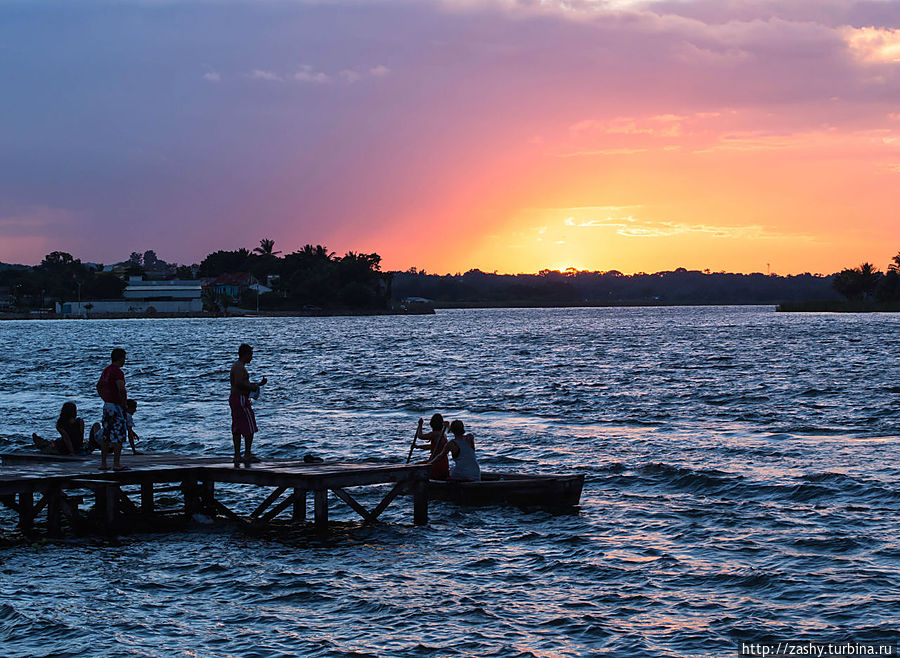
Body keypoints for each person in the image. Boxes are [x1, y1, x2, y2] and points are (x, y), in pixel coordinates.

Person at [229, 343, 267, 467]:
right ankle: (247, 453)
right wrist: (252, 387)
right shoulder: (239, 367)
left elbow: (241, 383)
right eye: (251, 355)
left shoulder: (237, 366)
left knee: (238, 426)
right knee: (249, 425)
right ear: (246, 354)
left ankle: (237, 455)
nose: (252, 357)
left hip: (236, 399)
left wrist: (258, 385)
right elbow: (239, 383)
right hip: (240, 399)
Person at [97, 347, 130, 471]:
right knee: (118, 434)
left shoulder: (106, 370)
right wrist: (124, 404)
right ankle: (116, 463)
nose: (125, 361)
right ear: (120, 358)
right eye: (124, 358)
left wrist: (104, 398)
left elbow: (98, 386)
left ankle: (104, 463)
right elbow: (121, 388)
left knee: (106, 434)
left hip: (107, 405)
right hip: (116, 406)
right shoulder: (117, 372)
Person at [413, 413, 450, 480]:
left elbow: (420, 436)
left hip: (436, 463)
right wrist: (418, 446)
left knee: (416, 466)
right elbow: (432, 447)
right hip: (443, 462)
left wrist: (420, 425)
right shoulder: (443, 434)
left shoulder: (435, 434)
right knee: (418, 465)